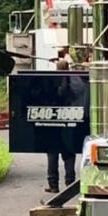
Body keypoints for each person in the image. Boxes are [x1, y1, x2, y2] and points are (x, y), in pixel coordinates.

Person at [45, 59, 77, 193]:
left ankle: (53, 185)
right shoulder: (76, 82)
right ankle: (70, 183)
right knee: (69, 154)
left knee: (52, 154)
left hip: (54, 122)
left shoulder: (53, 82)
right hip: (71, 120)